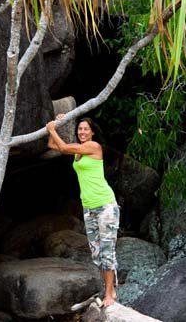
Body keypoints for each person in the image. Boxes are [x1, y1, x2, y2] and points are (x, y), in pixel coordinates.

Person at [46, 114, 120, 307]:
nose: (82, 132)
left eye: (86, 129)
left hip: (105, 205)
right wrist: (57, 125)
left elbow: (62, 146)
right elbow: (52, 146)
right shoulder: (78, 151)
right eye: (79, 129)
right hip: (89, 207)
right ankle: (108, 290)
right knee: (96, 253)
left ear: (93, 132)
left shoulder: (93, 147)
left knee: (106, 251)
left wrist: (53, 128)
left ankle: (110, 295)